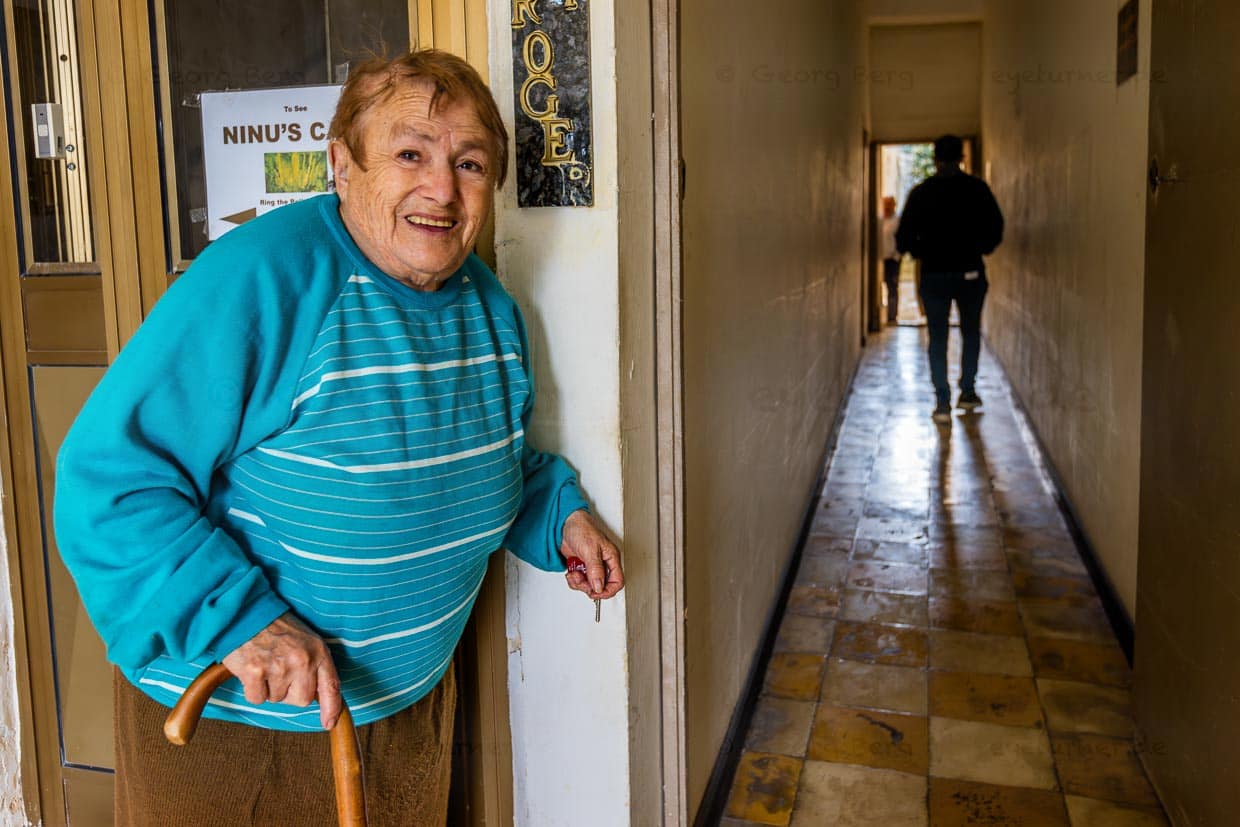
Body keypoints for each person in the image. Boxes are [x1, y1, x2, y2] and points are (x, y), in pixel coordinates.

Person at [53, 49, 623, 826]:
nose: (442, 189)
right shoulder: (264, 277)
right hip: (241, 730)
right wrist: (241, 622)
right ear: (342, 164)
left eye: (470, 162)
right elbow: (108, 479)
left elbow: (487, 461)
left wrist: (561, 518)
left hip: (404, 717)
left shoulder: (489, 307)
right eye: (410, 154)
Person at [896, 134, 1004, 424]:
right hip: (970, 273)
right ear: (962, 158)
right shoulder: (977, 190)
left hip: (934, 274)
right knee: (970, 332)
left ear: (935, 159)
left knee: (938, 336)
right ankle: (967, 391)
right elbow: (996, 228)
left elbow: (903, 237)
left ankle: (942, 400)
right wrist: (978, 249)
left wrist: (922, 251)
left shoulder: (922, 193)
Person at [879, 195, 902, 323]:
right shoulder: (880, 220)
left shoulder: (897, 221)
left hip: (892, 259)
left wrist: (897, 255)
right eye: (885, 204)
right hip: (879, 259)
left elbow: (901, 240)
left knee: (892, 287)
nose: (886, 207)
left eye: (889, 204)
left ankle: (892, 317)